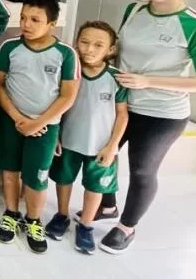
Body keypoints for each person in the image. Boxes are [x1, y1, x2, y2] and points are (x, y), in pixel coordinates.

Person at [97, 0, 196, 254]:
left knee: (142, 170)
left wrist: (148, 81)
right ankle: (108, 204)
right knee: (101, 155)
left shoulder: (195, 26)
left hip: (162, 112)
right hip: (121, 104)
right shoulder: (133, 9)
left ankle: (126, 227)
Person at [0, 0, 80, 254]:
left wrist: (38, 122)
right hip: (11, 120)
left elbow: (68, 95)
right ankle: (11, 213)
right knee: (9, 170)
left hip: (45, 126)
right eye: (23, 18)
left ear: (52, 24)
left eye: (35, 20)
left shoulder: (65, 54)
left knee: (37, 178)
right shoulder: (10, 47)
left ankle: (33, 220)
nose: (26, 24)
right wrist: (18, 118)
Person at [43, 21, 126, 254]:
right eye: (85, 42)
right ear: (76, 43)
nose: (89, 49)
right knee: (63, 179)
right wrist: (56, 135)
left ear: (110, 49)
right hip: (68, 140)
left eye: (98, 45)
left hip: (100, 147)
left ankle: (86, 226)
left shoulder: (116, 78)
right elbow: (56, 105)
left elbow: (122, 115)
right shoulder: (69, 72)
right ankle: (61, 215)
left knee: (95, 187)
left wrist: (112, 146)